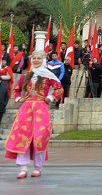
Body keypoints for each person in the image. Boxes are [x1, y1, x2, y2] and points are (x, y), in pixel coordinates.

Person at [5, 51, 64, 179]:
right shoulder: (25, 76)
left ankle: (38, 167)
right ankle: (23, 168)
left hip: (41, 108)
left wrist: (51, 97)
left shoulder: (48, 76)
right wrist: (17, 98)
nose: (36, 60)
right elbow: (17, 89)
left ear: (43, 60)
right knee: (22, 136)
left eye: (39, 58)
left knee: (40, 136)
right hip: (26, 108)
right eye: (34, 58)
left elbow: (59, 89)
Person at [0, 58, 12, 125]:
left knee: (2, 99)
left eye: (4, 61)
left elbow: (9, 77)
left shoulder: (8, 68)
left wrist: (1, 77)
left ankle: (2, 108)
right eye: (2, 61)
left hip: (4, 85)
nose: (3, 62)